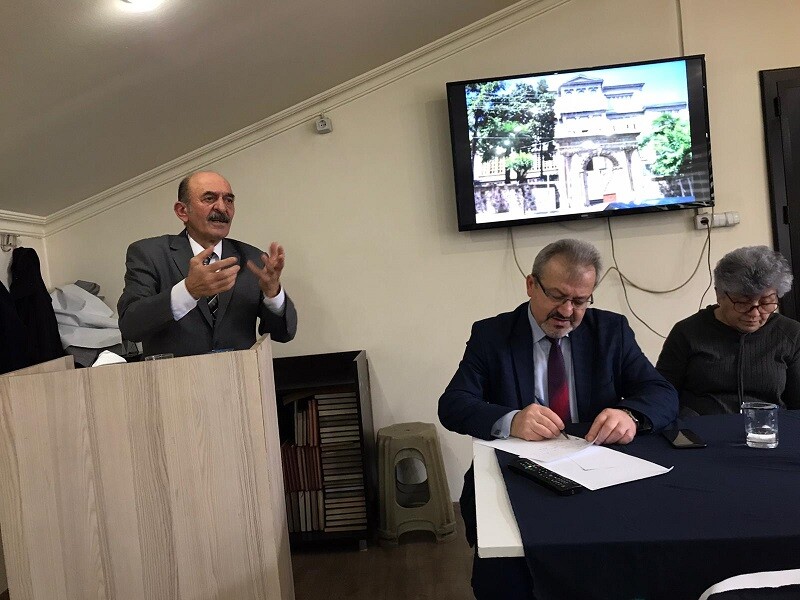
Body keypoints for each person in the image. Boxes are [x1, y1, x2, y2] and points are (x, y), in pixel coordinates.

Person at [438, 238, 677, 600]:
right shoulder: (492, 335)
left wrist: (629, 414)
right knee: (508, 579)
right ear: (531, 285)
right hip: (519, 474)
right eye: (558, 296)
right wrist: (511, 419)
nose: (567, 311)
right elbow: (453, 405)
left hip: (598, 468)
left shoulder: (610, 331)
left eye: (580, 301)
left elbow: (661, 392)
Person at [117, 171, 297, 358]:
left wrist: (273, 293)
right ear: (182, 211)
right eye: (209, 198)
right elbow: (130, 326)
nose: (222, 207)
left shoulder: (252, 259)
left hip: (239, 374)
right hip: (173, 375)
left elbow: (283, 333)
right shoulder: (150, 254)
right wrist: (188, 291)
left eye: (228, 200)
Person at [657, 245, 800, 416]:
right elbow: (662, 394)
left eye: (766, 302)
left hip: (768, 428)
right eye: (743, 302)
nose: (755, 313)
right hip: (702, 427)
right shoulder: (687, 332)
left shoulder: (791, 334)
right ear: (719, 295)